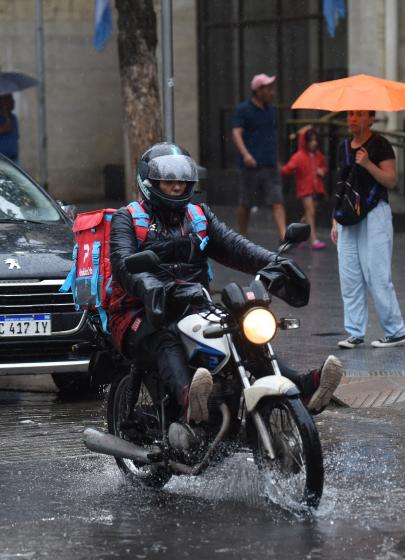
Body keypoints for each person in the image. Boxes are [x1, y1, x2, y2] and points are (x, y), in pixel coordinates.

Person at [108, 142, 342, 449]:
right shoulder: (128, 219)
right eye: (169, 182)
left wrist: (275, 262)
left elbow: (235, 246)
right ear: (150, 183)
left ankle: (302, 386)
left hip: (194, 304)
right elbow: (124, 263)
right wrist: (149, 285)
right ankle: (190, 397)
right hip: (139, 312)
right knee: (164, 336)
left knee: (241, 330)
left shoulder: (198, 216)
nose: (177, 187)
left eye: (182, 182)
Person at [331, 110, 405, 350]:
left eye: (360, 114)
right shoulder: (343, 146)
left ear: (372, 119)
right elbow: (341, 185)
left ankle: (395, 331)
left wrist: (367, 164)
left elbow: (391, 180)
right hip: (347, 216)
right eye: (350, 114)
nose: (353, 118)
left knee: (377, 273)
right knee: (349, 274)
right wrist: (334, 218)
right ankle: (354, 332)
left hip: (375, 213)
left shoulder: (380, 145)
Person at [231, 73, 288, 241]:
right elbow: (236, 133)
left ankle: (283, 237)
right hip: (250, 166)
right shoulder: (243, 110)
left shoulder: (271, 111)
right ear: (258, 90)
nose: (272, 93)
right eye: (269, 89)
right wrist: (246, 155)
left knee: (277, 200)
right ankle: (242, 235)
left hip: (270, 164)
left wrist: (277, 159)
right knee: (246, 203)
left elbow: (273, 136)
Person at [281, 126, 328, 250]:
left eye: (315, 140)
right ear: (305, 142)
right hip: (305, 189)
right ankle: (313, 240)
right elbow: (287, 169)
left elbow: (324, 167)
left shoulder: (318, 156)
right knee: (310, 213)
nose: (314, 143)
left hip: (316, 188)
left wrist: (322, 171)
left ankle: (298, 236)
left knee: (309, 214)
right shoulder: (299, 156)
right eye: (311, 140)